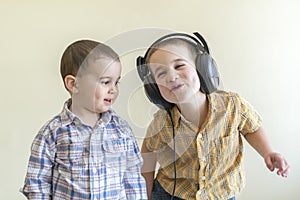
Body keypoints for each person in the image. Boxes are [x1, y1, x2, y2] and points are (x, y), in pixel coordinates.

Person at [136, 32, 290, 200]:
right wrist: (145, 193)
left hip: (221, 194)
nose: (171, 77)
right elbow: (148, 151)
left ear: (203, 68)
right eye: (161, 73)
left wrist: (268, 152)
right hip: (172, 194)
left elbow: (252, 128)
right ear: (154, 89)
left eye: (179, 66)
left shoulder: (232, 105)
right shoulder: (162, 122)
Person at [21, 39, 147, 199]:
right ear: (73, 84)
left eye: (116, 82)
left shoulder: (122, 130)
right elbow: (37, 183)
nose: (113, 89)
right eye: (106, 82)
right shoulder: (53, 133)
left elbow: (133, 178)